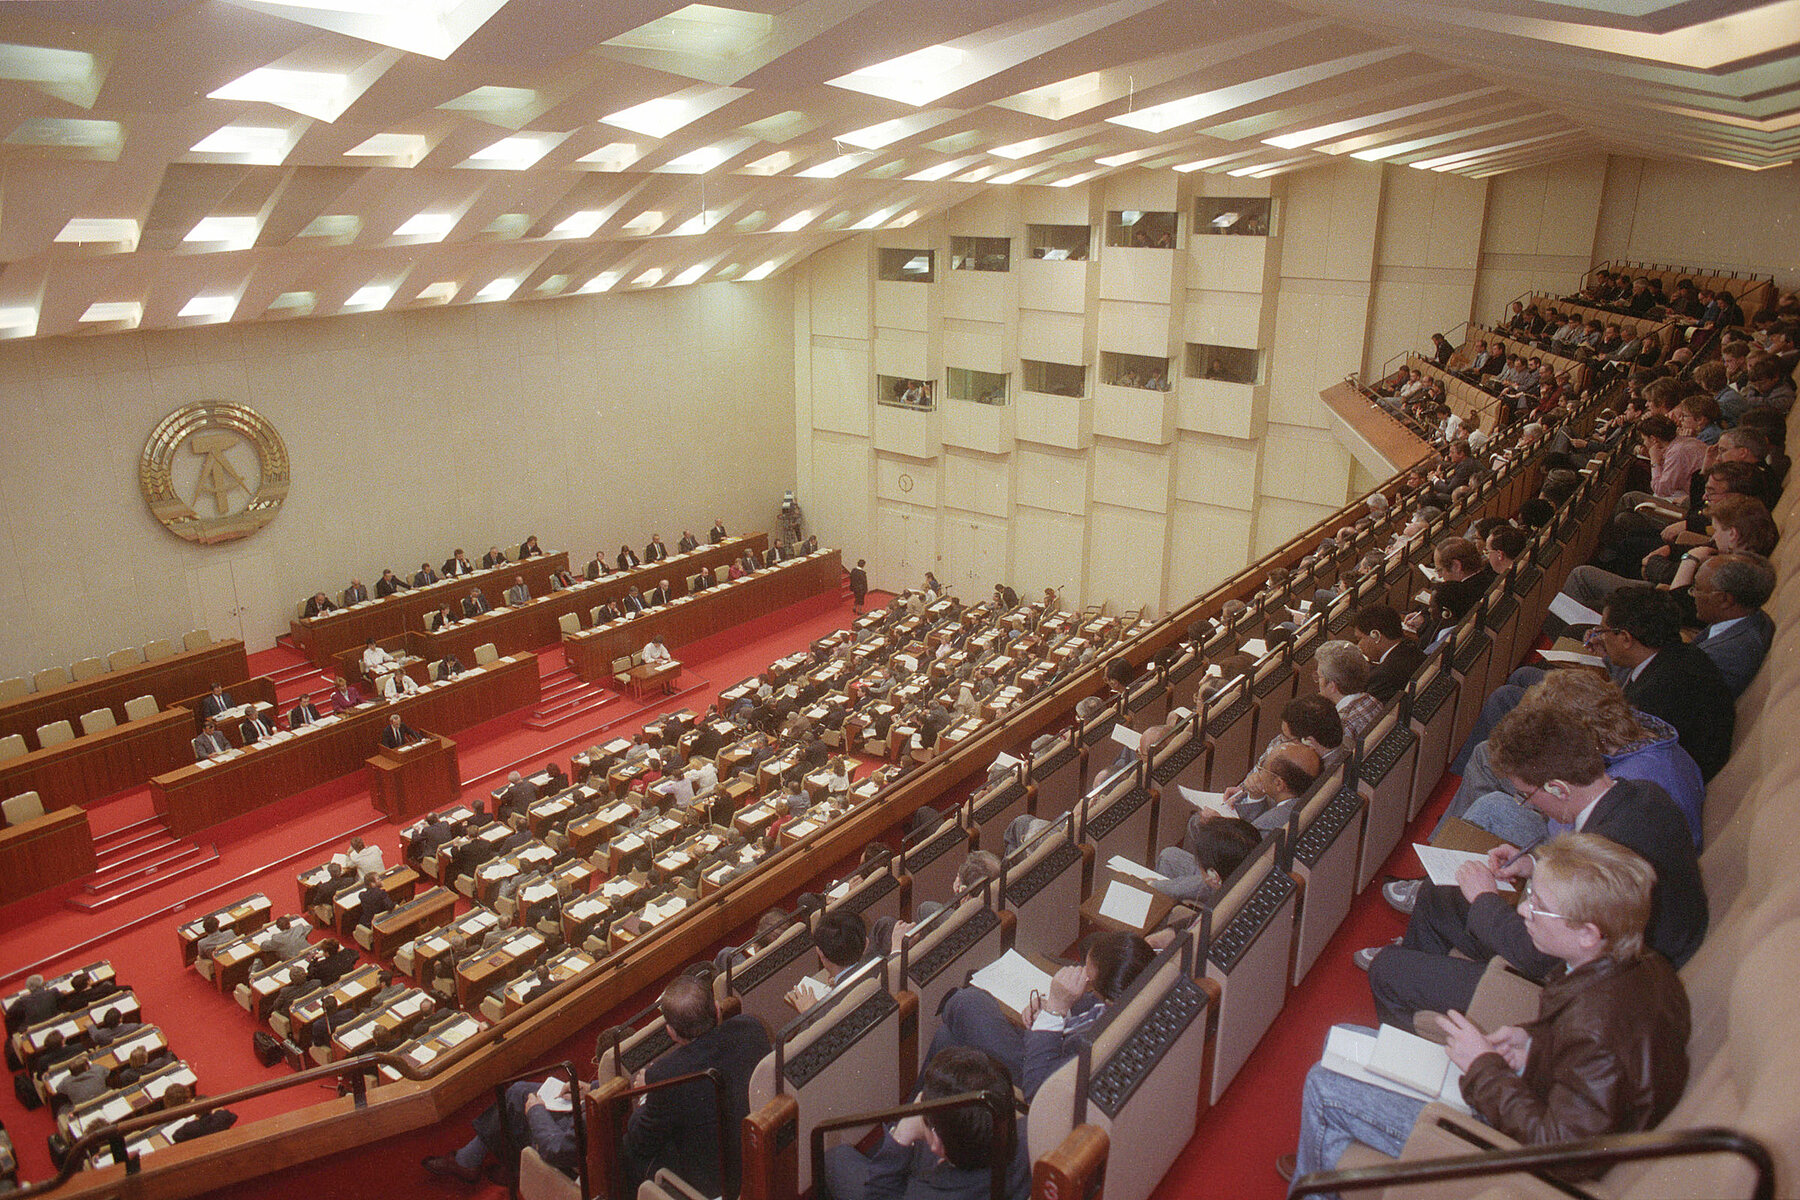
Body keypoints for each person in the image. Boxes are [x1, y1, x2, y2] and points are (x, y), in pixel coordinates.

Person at [1291, 833, 1690, 1195]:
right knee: (1341, 1037)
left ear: (1588, 933)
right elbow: (1589, 1062)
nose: (1523, 912)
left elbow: (1561, 1155)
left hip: (1512, 1154)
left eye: (1540, 907)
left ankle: (1316, 1168)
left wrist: (1483, 1065)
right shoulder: (1641, 964)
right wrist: (1534, 1042)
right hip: (1531, 1095)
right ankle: (1320, 1162)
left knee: (1324, 1087)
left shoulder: (1599, 1027)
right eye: (1531, 895)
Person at [1364, 704, 1706, 1030]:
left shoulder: (1610, 842)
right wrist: (1533, 863)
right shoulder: (1640, 795)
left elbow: (1537, 956)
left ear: (1557, 788)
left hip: (1584, 989)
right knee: (1436, 896)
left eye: (1526, 795)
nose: (1525, 804)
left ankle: (1416, 1028)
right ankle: (1424, 980)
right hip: (1606, 952)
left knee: (1386, 969)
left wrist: (1485, 898)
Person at [924, 931, 1153, 1099]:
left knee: (966, 1001)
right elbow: (1093, 1007)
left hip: (1037, 1068)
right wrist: (1052, 1010)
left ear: (1111, 996)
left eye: (1089, 978)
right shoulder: (1131, 998)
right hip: (1047, 1044)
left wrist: (1054, 1012)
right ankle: (913, 1117)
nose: (1082, 977)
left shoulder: (1107, 1038)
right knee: (948, 1038)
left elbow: (1038, 1089)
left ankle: (950, 1003)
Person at [623, 973, 772, 1199]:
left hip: (717, 1184)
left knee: (628, 1146)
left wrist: (645, 1094)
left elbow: (642, 1141)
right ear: (717, 1008)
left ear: (671, 1032)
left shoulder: (664, 1074)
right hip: (762, 1153)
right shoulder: (750, 1027)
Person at [823, 1046, 1030, 1200]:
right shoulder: (1029, 1133)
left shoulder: (926, 1195)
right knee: (944, 1035)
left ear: (937, 1145)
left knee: (835, 1158)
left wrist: (901, 1134)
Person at [1312, 640, 1382, 744]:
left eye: (1319, 677)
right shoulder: (1372, 700)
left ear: (1332, 686)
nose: (1317, 682)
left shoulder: (1341, 727)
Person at [1353, 605, 1423, 703]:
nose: (1358, 646)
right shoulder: (1413, 649)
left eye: (1359, 639)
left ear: (1376, 635)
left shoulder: (1382, 677)